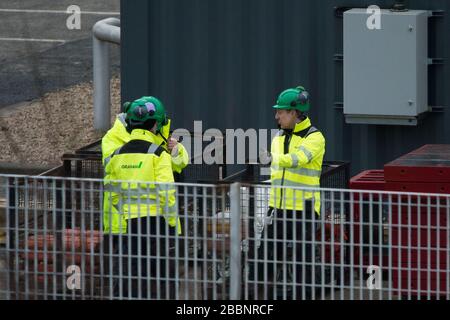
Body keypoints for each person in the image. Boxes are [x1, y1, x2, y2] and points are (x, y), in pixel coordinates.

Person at [102, 96, 181, 299]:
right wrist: (172, 223)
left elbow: (111, 190)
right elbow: (167, 192)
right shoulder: (158, 154)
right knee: (162, 278)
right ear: (154, 125)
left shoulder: (117, 155)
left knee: (129, 274)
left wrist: (126, 209)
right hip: (157, 225)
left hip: (130, 223)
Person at [254, 86, 326, 299]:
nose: (276, 116)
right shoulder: (278, 137)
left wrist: (272, 159)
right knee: (265, 258)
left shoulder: (315, 138)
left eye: (281, 112)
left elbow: (297, 159)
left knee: (302, 262)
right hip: (279, 209)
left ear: (295, 113)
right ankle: (259, 299)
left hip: (304, 210)